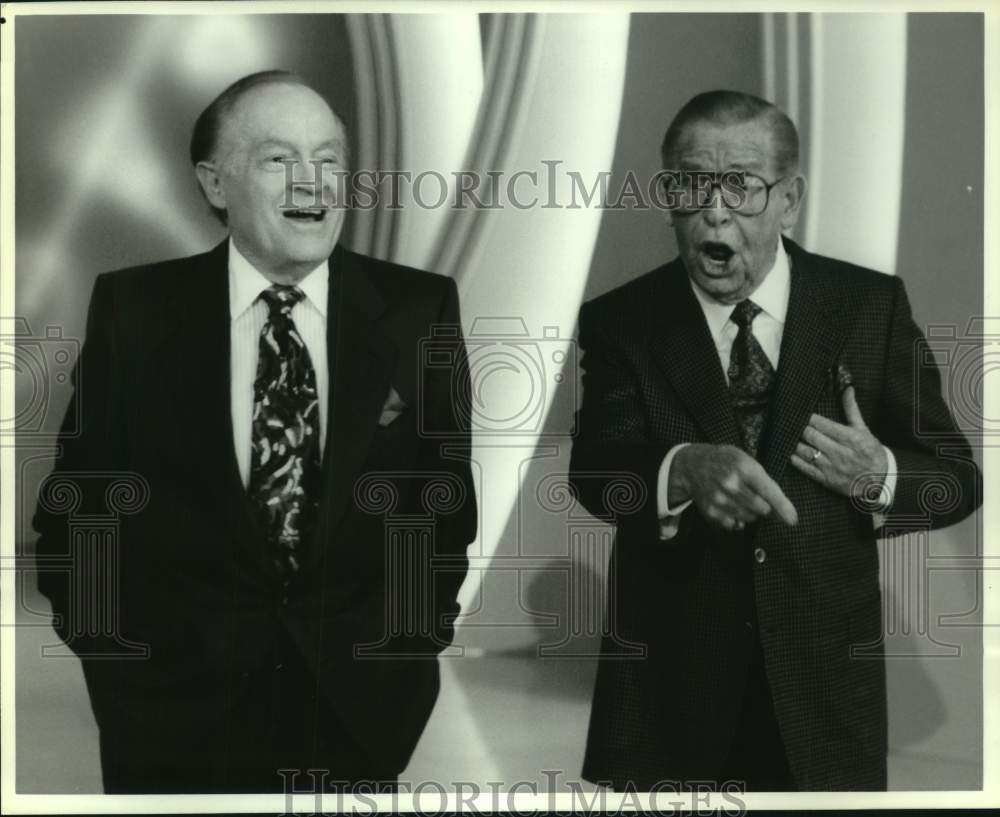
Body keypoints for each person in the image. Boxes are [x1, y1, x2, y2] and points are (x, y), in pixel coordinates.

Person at [32, 70, 477, 794]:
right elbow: (77, 514)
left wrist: (411, 652)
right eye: (279, 159)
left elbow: (445, 507)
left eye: (329, 158)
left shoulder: (419, 309)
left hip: (355, 719)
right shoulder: (134, 312)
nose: (313, 183)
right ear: (215, 183)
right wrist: (117, 671)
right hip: (171, 730)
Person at [568, 90, 980, 792]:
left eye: (742, 186)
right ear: (668, 194)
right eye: (692, 184)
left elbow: (955, 479)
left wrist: (878, 473)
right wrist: (680, 470)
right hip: (671, 705)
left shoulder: (868, 308)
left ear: (790, 200)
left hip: (824, 699)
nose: (715, 211)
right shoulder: (622, 321)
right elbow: (597, 472)